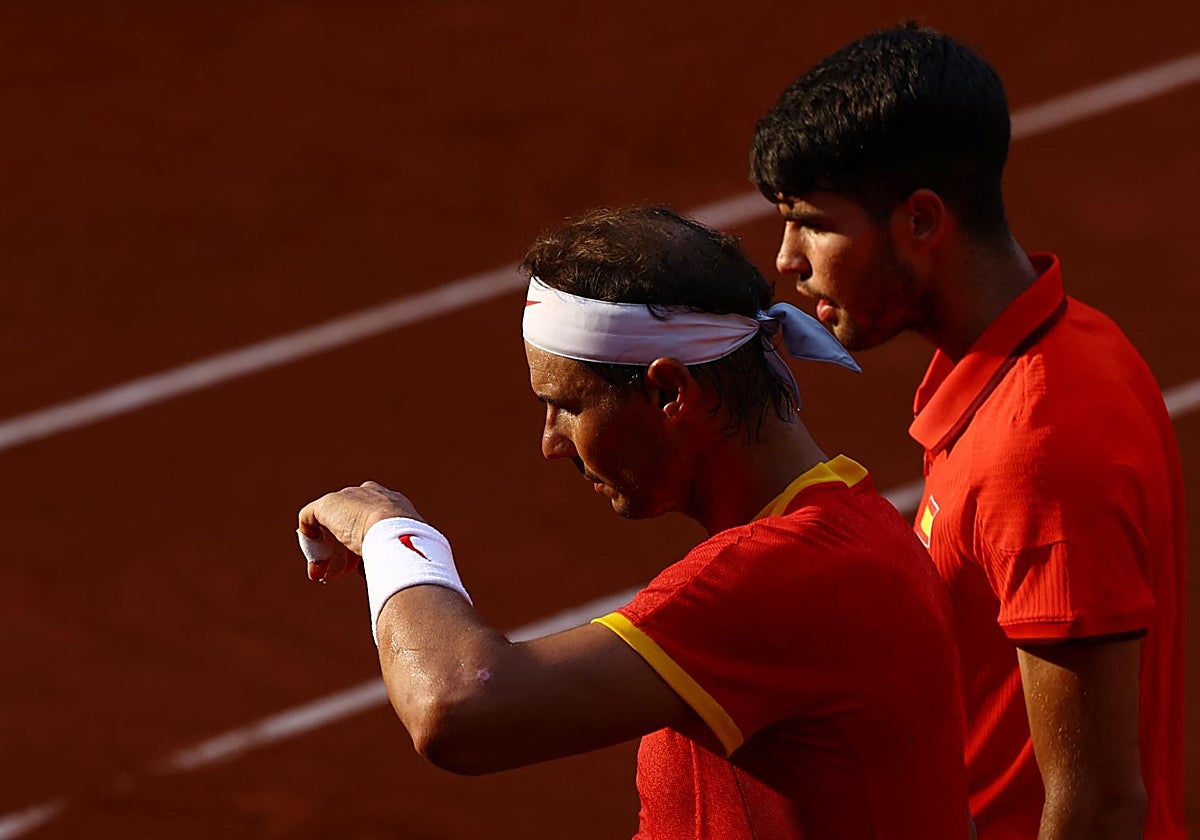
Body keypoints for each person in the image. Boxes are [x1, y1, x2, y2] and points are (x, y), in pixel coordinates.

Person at [297, 206, 973, 839]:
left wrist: (393, 532)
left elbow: (458, 710)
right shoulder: (852, 527)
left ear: (668, 390)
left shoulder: (786, 574)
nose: (551, 442)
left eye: (565, 405)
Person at [749, 23, 1185, 840]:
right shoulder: (1061, 342)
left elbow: (1097, 807)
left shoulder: (1039, 447)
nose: (787, 259)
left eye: (812, 222)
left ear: (920, 220)